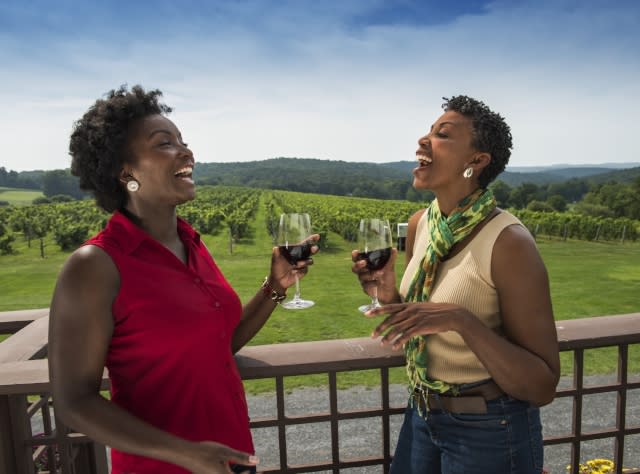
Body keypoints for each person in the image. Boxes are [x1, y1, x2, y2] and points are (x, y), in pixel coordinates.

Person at [48, 85, 318, 474]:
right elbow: (74, 402)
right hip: (163, 466)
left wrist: (275, 286)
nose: (186, 151)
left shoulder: (191, 242)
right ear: (126, 172)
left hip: (230, 457)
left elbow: (217, 344)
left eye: (182, 141)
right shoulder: (96, 265)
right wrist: (186, 453)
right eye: (164, 144)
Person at [352, 95, 560, 473]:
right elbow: (422, 327)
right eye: (429, 131)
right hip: (421, 414)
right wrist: (387, 293)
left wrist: (463, 321)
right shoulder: (421, 224)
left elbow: (541, 385)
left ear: (476, 161)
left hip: (489, 429)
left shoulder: (509, 242)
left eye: (442, 135)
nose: (423, 141)